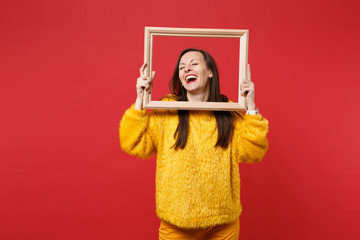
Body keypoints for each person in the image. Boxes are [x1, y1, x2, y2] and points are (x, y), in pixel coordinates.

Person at [119, 48, 269, 240]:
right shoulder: (167, 109)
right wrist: (140, 99)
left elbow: (253, 153)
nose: (186, 69)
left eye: (194, 63)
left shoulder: (229, 111)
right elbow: (133, 143)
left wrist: (251, 107)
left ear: (210, 72)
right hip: (176, 224)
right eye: (181, 67)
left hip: (223, 224)